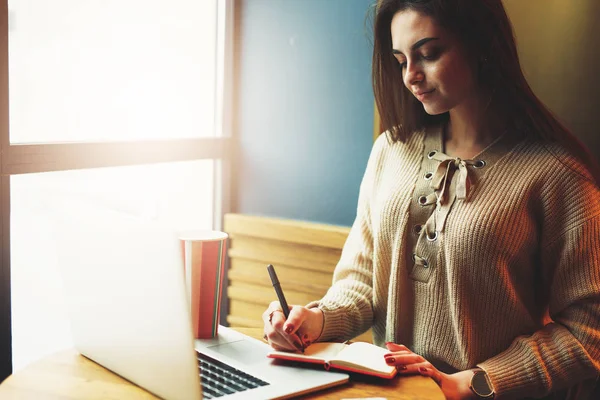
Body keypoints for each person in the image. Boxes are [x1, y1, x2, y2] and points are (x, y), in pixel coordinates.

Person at [262, 1, 600, 399]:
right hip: (389, 394)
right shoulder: (391, 149)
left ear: (481, 44)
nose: (410, 76)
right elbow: (364, 280)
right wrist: (314, 321)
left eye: (428, 54)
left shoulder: (557, 173)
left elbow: (588, 331)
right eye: (401, 59)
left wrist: (478, 382)